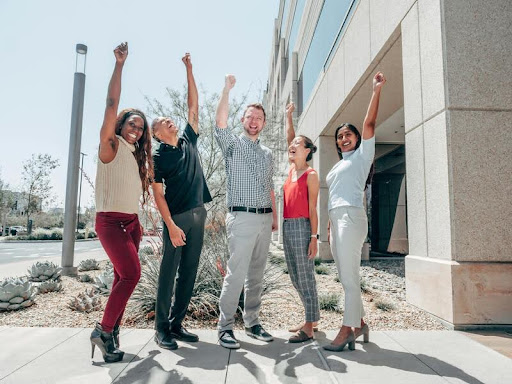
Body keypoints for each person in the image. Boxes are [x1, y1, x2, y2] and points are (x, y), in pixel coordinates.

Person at [91, 42, 154, 363]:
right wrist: (119, 65)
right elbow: (111, 103)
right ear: (120, 125)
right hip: (110, 222)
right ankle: (103, 331)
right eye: (132, 123)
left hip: (131, 223)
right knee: (131, 275)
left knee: (121, 278)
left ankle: (111, 333)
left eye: (141, 127)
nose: (137, 129)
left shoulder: (136, 154)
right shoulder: (110, 145)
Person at [151, 53, 212, 350]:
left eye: (169, 118)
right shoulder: (158, 157)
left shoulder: (189, 139)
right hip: (176, 220)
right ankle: (161, 329)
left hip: (199, 214)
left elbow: (193, 106)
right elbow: (157, 195)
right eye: (163, 121)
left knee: (189, 272)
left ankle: (176, 324)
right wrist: (171, 226)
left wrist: (190, 69)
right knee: (168, 272)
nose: (169, 120)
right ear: (157, 133)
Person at [323, 72, 386, 352]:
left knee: (349, 278)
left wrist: (375, 91)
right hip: (336, 220)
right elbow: (334, 194)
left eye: (348, 134)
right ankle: (359, 323)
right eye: (340, 137)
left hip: (351, 217)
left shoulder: (363, 157)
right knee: (347, 276)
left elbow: (370, 122)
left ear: (358, 138)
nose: (343, 138)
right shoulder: (338, 166)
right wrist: (328, 223)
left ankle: (347, 330)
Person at [214, 74, 278, 349]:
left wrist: (274, 217)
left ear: (263, 124)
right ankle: (225, 327)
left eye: (259, 119)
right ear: (243, 120)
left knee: (256, 274)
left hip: (265, 218)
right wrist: (227, 89)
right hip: (241, 218)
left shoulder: (267, 153)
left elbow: (270, 186)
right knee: (236, 274)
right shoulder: (233, 145)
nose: (254, 122)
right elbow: (219, 123)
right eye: (250, 117)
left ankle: (252, 323)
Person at [282, 102, 321, 343]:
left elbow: (313, 209)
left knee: (305, 276)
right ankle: (312, 318)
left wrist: (314, 238)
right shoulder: (291, 171)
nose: (293, 146)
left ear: (308, 150)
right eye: (292, 144)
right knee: (295, 276)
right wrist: (288, 116)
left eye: (298, 144)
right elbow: (290, 138)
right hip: (287, 226)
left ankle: (308, 327)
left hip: (302, 226)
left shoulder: (311, 175)